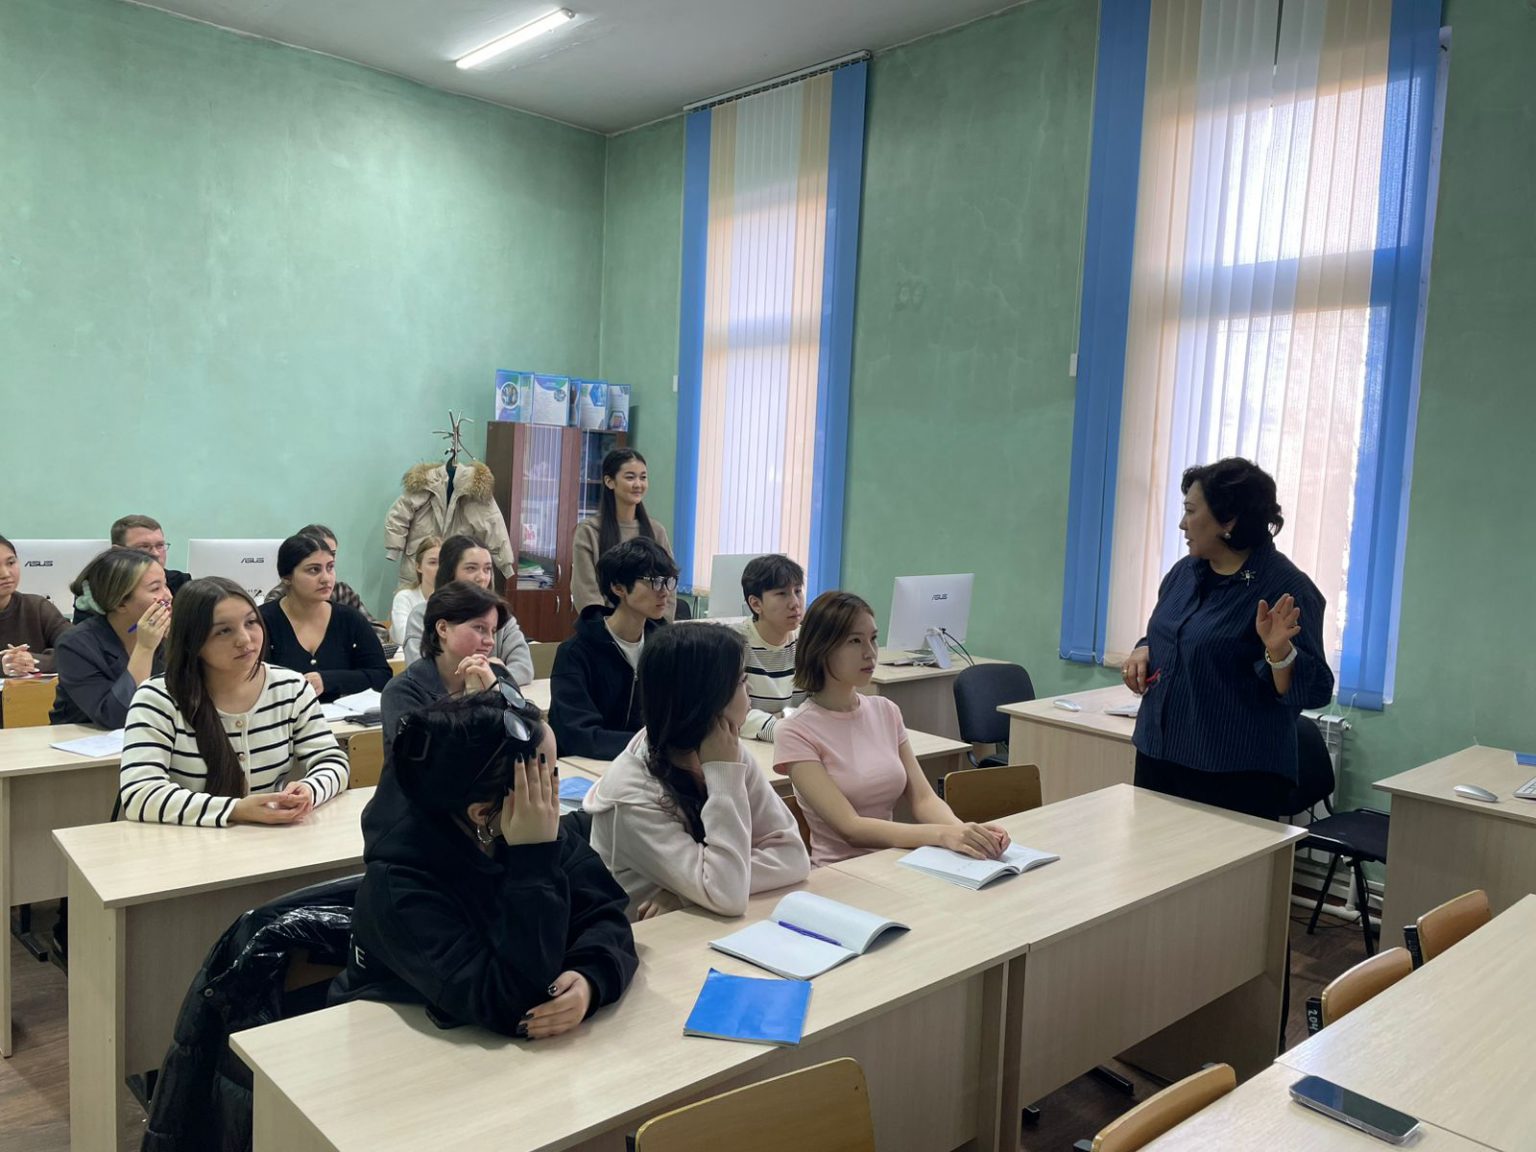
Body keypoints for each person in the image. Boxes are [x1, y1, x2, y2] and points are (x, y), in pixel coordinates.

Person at [329, 693, 638, 1039]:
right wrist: (534, 860)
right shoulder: (398, 888)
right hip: (399, 1044)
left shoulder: (518, 823)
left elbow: (606, 913)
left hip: (484, 1041)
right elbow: (512, 1001)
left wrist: (590, 977)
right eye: (545, 777)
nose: (553, 792)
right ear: (481, 812)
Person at [1122, 458, 1335, 819]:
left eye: (1191, 511)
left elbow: (1315, 690)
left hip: (1233, 774)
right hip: (1159, 756)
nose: (1182, 523)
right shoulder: (1184, 572)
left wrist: (1280, 654)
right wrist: (1144, 649)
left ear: (1229, 520)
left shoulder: (1286, 589)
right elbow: (1171, 632)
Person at [584, 624, 809, 920]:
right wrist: (723, 777)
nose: (750, 690)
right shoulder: (631, 796)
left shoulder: (725, 749)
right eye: (742, 680)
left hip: (706, 923)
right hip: (649, 938)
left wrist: (686, 893)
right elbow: (727, 896)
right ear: (705, 698)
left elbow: (794, 856)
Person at [776, 591, 1011, 866]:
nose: (870, 652)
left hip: (894, 863)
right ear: (821, 648)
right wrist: (943, 835)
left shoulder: (886, 711)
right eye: (854, 641)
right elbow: (850, 828)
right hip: (840, 873)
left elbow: (923, 799)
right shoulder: (795, 731)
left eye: (873, 638)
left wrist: (967, 833)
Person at [117, 578, 350, 826]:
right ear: (192, 641)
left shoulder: (291, 687)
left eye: (251, 622)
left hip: (270, 838)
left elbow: (332, 761)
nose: (245, 639)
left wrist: (310, 790)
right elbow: (140, 795)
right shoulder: (157, 698)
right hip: (185, 842)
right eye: (223, 631)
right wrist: (236, 810)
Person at [550, 538, 675, 759]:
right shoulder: (575, 653)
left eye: (668, 581)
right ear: (618, 587)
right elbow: (580, 736)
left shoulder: (665, 648)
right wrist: (653, 746)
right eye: (654, 582)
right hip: (586, 765)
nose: (664, 591)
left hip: (648, 764)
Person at [382, 581, 507, 758]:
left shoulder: (498, 676)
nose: (490, 641)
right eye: (479, 628)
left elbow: (528, 737)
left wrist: (497, 695)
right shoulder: (403, 691)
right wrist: (476, 702)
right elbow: (430, 760)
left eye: (492, 631)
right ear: (443, 629)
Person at [50, 547, 172, 728]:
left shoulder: (168, 635)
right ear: (120, 603)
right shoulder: (75, 645)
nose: (168, 595)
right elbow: (117, 717)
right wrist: (145, 648)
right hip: (82, 740)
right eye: (155, 588)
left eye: (165, 585)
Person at [259, 535, 391, 704]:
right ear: (287, 577)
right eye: (314, 570)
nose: (326, 578)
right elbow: (250, 682)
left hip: (342, 717)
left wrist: (327, 680)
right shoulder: (262, 621)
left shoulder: (349, 619)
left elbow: (382, 676)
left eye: (330, 567)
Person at [399, 535, 533, 683]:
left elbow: (524, 669)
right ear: (450, 572)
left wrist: (488, 677)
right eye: (471, 568)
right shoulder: (421, 615)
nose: (482, 577)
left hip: (492, 696)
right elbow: (421, 675)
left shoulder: (498, 614)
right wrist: (488, 671)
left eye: (487, 569)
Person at [570, 448, 675, 620]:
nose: (638, 484)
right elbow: (586, 591)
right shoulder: (589, 531)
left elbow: (669, 584)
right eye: (630, 477)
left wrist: (661, 628)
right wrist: (607, 629)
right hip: (605, 628)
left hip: (651, 629)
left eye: (643, 477)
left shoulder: (656, 530)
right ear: (609, 481)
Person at [736, 553, 807, 741]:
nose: (795, 603)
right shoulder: (736, 645)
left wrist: (783, 718)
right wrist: (785, 727)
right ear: (756, 604)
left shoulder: (807, 642)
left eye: (798, 591)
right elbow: (732, 715)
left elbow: (821, 705)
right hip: (753, 748)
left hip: (797, 743)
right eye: (782, 594)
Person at [263, 524, 377, 621]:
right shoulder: (275, 602)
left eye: (332, 554)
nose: (326, 578)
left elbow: (375, 629)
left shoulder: (342, 592)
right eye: (314, 569)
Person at [0, 534, 70, 681]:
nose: (5, 574)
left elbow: (80, 649)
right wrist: (5, 665)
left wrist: (33, 661)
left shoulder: (37, 607)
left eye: (11, 563)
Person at [111, 514, 192, 597]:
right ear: (117, 551)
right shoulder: (106, 589)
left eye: (160, 545)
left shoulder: (181, 583)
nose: (156, 554)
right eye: (144, 547)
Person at [389, 535, 441, 645]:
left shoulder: (455, 599)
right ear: (418, 567)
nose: (439, 568)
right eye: (432, 562)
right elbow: (404, 637)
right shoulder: (404, 597)